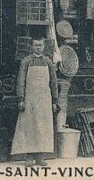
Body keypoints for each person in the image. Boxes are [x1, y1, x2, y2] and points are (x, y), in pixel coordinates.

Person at [11, 38, 59, 166]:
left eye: (40, 45)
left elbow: (54, 82)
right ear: (31, 46)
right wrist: (21, 99)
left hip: (45, 100)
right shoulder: (26, 61)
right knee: (29, 127)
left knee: (43, 127)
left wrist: (55, 100)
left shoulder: (48, 62)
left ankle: (40, 157)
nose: (38, 47)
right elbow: (21, 81)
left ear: (44, 46)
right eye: (36, 45)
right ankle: (29, 156)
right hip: (30, 100)